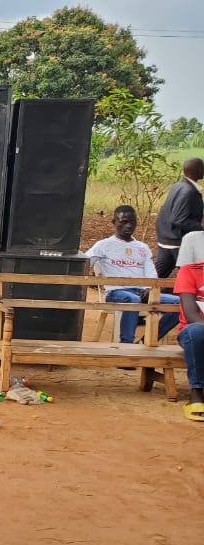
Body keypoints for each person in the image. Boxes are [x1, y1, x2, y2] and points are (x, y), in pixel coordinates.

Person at [87, 205, 180, 343]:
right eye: (124, 222)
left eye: (132, 222)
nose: (129, 226)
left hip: (142, 292)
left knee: (179, 304)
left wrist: (149, 289)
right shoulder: (103, 245)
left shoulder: (142, 248)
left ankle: (147, 339)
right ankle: (127, 345)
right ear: (114, 222)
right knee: (133, 300)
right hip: (116, 292)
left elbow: (151, 274)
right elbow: (84, 262)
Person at [153, 157, 204, 277]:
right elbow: (178, 219)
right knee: (192, 278)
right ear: (197, 170)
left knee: (156, 280)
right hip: (178, 242)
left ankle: (144, 294)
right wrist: (201, 227)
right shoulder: (188, 191)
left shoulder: (179, 186)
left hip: (166, 239)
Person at [174, 231, 204, 421]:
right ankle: (197, 392)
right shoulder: (190, 271)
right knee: (198, 331)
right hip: (193, 331)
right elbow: (192, 315)